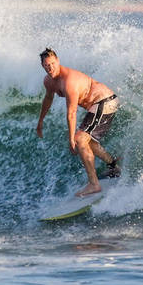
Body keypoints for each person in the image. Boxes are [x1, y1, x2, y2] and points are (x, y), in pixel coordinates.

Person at [35, 47, 121, 197]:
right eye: (47, 65)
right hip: (97, 106)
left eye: (53, 64)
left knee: (80, 139)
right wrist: (40, 121)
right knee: (87, 140)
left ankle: (94, 184)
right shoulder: (48, 81)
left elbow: (72, 112)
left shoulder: (69, 82)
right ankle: (113, 165)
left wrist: (71, 140)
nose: (50, 68)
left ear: (58, 61)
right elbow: (48, 99)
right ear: (42, 66)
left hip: (105, 102)